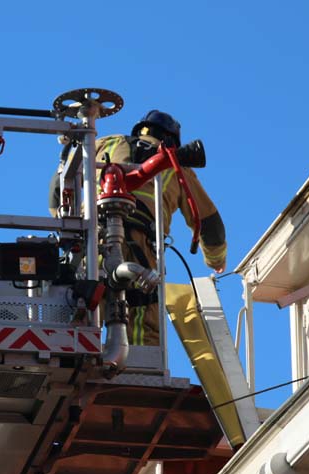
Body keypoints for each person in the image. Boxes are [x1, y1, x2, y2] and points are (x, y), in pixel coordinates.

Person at [51, 110, 227, 346]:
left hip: (90, 242)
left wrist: (66, 225)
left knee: (82, 307)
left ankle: (76, 354)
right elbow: (210, 225)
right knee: (141, 312)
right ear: (171, 140)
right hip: (141, 248)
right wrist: (216, 261)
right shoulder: (177, 163)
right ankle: (132, 364)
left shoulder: (104, 143)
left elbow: (59, 188)